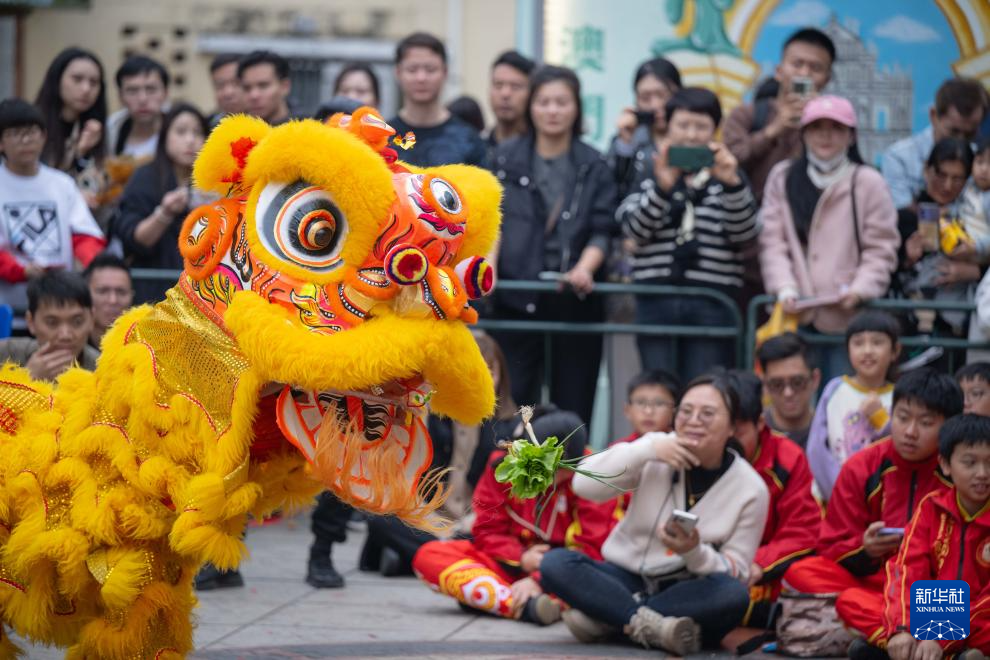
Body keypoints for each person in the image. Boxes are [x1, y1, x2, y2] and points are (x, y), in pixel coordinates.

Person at [540, 374, 770, 654]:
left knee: (733, 595)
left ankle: (612, 618)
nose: (694, 420)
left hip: (688, 588)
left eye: (708, 413)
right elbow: (583, 485)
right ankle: (649, 626)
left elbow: (736, 571)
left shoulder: (751, 488)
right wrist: (647, 449)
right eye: (686, 411)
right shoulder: (655, 449)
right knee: (555, 563)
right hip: (626, 577)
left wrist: (693, 551)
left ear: (732, 426)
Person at [783, 368, 962, 645]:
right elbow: (830, 545)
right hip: (873, 585)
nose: (910, 432)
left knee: (961, 589)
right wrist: (864, 548)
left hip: (928, 587)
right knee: (803, 572)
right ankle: (913, 635)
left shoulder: (958, 472)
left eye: (926, 423)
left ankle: (882, 636)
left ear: (949, 426)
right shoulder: (862, 466)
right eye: (902, 417)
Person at [489, 64, 617, 426]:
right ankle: (507, 465)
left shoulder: (593, 163)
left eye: (562, 102)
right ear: (531, 106)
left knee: (573, 406)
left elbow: (603, 228)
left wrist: (585, 269)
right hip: (515, 297)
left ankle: (573, 464)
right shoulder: (505, 159)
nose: (552, 111)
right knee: (512, 405)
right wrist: (489, 267)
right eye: (544, 102)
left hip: (573, 299)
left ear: (577, 108)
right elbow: (492, 219)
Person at [412, 408, 613, 626]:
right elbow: (487, 531)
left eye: (551, 469)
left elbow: (591, 548)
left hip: (565, 571)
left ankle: (493, 598)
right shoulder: (504, 466)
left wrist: (541, 578)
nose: (539, 475)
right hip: (512, 565)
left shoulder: (592, 477)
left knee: (598, 577)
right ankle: (526, 606)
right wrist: (523, 557)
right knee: (429, 555)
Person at [617, 87, 757, 382]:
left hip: (713, 302)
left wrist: (732, 184)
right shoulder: (649, 168)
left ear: (715, 130)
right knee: (658, 389)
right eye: (683, 125)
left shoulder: (728, 173)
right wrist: (662, 188)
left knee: (706, 387)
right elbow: (634, 231)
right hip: (656, 299)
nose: (692, 135)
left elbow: (745, 234)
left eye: (701, 126)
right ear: (668, 126)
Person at [355, 332, 521, 579]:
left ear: (501, 378)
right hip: (429, 520)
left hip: (476, 524)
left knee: (499, 536)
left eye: (490, 373)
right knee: (380, 516)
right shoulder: (423, 413)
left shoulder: (512, 427)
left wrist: (468, 524)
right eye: (472, 373)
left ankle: (425, 558)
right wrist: (437, 527)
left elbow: (505, 498)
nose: (481, 383)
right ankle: (452, 557)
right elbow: (405, 483)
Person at [759, 94, 900, 380]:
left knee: (840, 393)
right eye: (816, 127)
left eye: (836, 128)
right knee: (792, 393)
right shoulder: (782, 176)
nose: (825, 135)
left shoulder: (868, 181)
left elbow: (881, 247)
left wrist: (860, 289)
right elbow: (772, 241)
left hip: (846, 317)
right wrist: (784, 287)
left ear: (851, 136)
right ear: (803, 134)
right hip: (794, 314)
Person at [882, 414, 990, 660]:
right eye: (970, 463)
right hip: (930, 610)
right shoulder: (931, 507)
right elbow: (907, 569)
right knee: (853, 601)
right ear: (946, 464)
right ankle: (924, 648)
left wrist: (939, 635)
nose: (982, 473)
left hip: (977, 616)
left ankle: (923, 650)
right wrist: (902, 628)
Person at [723, 370, 820, 632]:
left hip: (763, 570)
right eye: (722, 431)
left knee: (810, 576)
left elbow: (802, 531)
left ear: (760, 423)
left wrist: (757, 564)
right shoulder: (698, 449)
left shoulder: (788, 457)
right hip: (711, 566)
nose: (727, 441)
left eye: (737, 432)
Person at [0, 99, 106, 313]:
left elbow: (85, 235)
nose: (26, 140)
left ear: (44, 136)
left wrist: (90, 262)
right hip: (8, 308)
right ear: (1, 142)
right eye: (15, 133)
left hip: (59, 308)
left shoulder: (62, 184)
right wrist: (20, 271)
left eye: (32, 132)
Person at [724, 28, 835, 203]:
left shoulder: (834, 123)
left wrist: (816, 121)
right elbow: (728, 163)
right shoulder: (745, 114)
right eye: (797, 64)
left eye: (816, 68)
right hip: (751, 214)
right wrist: (773, 131)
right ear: (779, 71)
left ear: (827, 79)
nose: (804, 74)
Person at [111, 103, 209, 304]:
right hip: (154, 290)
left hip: (205, 292)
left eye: (197, 133)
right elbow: (134, 239)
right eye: (181, 132)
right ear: (165, 136)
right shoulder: (145, 177)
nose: (190, 140)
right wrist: (164, 213)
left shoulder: (214, 182)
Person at [894, 139, 985, 343]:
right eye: (941, 175)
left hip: (962, 333)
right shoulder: (905, 217)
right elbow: (885, 271)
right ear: (927, 170)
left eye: (957, 179)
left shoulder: (977, 222)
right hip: (910, 333)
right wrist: (906, 259)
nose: (947, 186)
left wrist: (974, 271)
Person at [806, 310, 901, 500]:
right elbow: (817, 448)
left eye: (877, 342)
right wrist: (839, 491)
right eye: (858, 343)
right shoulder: (835, 389)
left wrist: (881, 420)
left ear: (895, 351)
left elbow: (904, 447)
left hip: (885, 499)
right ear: (848, 349)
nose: (867, 350)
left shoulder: (900, 395)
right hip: (837, 496)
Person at [882, 78, 989, 209]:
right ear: (933, 116)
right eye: (954, 131)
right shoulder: (899, 157)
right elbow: (902, 211)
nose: (960, 141)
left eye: (969, 134)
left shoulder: (981, 162)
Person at [388, 32, 486, 167]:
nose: (421, 78)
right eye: (412, 69)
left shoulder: (468, 139)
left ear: (445, 72)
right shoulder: (384, 138)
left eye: (430, 69)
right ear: (398, 73)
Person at [34, 47, 107, 210]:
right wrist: (78, 152)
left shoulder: (95, 128)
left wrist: (83, 154)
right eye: (77, 79)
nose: (86, 89)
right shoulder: (32, 125)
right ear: (57, 79)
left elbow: (96, 192)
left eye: (94, 83)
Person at [0, 270, 98, 380]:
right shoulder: (6, 353)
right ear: (31, 322)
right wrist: (27, 378)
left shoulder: (103, 370)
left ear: (92, 319)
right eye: (52, 323)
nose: (65, 335)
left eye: (77, 322)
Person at [607, 56, 682, 200]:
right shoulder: (626, 140)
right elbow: (611, 190)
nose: (655, 105)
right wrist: (625, 144)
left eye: (663, 95)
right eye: (645, 98)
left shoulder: (693, 136)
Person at [758, 333, 821, 450]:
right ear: (765, 385)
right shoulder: (755, 433)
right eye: (777, 384)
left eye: (797, 382)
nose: (788, 393)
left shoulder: (832, 432)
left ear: (815, 379)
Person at [106, 55, 169, 161]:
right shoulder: (111, 132)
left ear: (165, 93)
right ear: (120, 97)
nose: (142, 99)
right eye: (132, 90)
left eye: (151, 89)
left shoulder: (182, 132)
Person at [82, 251, 132, 349]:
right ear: (86, 294)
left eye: (121, 292)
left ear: (132, 295)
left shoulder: (147, 347)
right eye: (102, 291)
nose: (113, 300)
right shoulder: (71, 345)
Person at [487, 50, 534, 149]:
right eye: (498, 85)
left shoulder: (540, 149)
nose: (505, 94)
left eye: (515, 87)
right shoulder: (477, 146)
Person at [238, 50, 292, 126]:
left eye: (263, 86)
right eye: (247, 88)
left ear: (285, 87)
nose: (254, 95)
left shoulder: (306, 129)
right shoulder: (232, 130)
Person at [207, 53, 245, 128]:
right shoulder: (207, 127)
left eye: (236, 83)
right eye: (220, 85)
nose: (228, 93)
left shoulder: (266, 128)